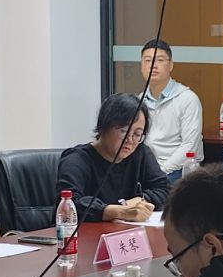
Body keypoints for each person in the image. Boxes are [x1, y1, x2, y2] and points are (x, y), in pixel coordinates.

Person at [57, 93, 171, 224]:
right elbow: (68, 205)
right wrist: (119, 211)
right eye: (124, 131)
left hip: (127, 232)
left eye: (137, 134)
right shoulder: (76, 160)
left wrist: (140, 201)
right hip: (84, 234)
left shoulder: (140, 153)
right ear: (104, 127)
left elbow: (165, 189)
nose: (130, 140)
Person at [139, 39, 202, 179]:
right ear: (141, 66)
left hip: (179, 170)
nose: (153, 65)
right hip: (147, 170)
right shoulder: (139, 101)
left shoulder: (187, 99)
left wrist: (160, 171)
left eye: (160, 60)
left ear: (171, 65)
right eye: (147, 60)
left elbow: (189, 145)